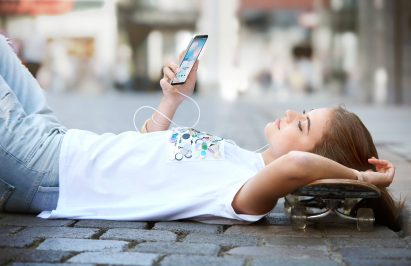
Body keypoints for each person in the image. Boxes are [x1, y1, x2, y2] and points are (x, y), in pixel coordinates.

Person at [0, 35, 401, 230]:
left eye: (303, 124)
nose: (291, 112)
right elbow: (142, 153)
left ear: (318, 168)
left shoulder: (249, 197)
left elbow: (296, 165)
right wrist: (173, 100)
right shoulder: (237, 157)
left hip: (45, 171)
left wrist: (360, 178)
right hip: (57, 140)